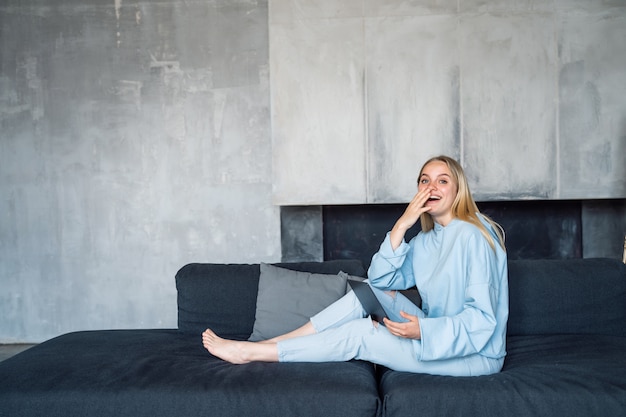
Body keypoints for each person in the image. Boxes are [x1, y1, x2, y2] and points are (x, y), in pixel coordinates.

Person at [202, 155, 508, 376]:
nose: (432, 188)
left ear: (459, 190)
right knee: (368, 291)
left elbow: (483, 321)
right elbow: (379, 279)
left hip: (475, 354)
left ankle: (251, 352)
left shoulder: (475, 235)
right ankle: (278, 342)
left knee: (361, 335)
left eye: (443, 181)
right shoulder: (426, 241)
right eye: (425, 181)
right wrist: (401, 226)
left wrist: (424, 331)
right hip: (436, 332)